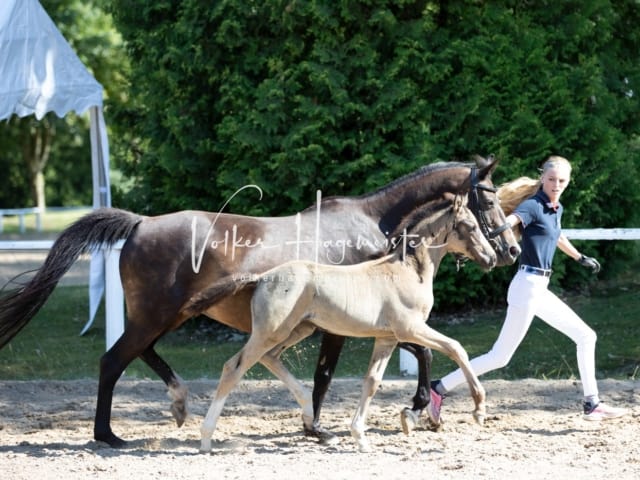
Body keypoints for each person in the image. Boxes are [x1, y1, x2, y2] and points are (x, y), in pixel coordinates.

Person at [428, 156, 628, 423]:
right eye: (551, 179)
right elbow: (509, 222)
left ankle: (592, 404)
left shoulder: (556, 208)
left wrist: (579, 257)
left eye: (562, 181)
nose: (556, 185)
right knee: (500, 357)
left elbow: (556, 235)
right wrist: (487, 233)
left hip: (538, 288)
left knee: (583, 337)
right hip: (528, 286)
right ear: (542, 177)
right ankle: (437, 388)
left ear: (568, 182)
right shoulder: (533, 206)